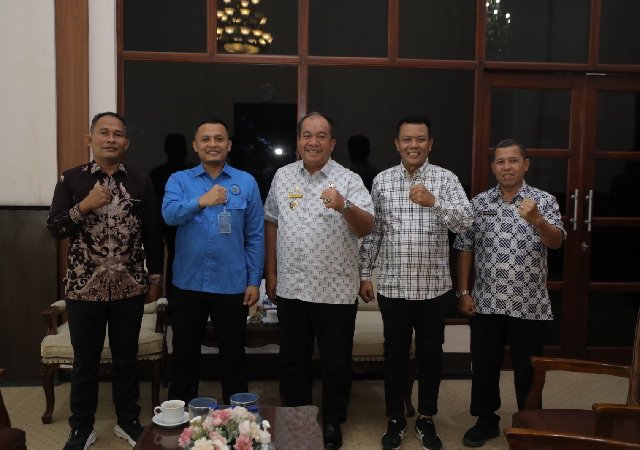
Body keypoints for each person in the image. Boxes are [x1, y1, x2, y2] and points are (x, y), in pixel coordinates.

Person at [47, 112, 164, 450]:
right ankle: (81, 428)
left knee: (127, 359)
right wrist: (84, 206)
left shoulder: (140, 181)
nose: (111, 139)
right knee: (85, 362)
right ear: (90, 139)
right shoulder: (71, 179)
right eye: (104, 132)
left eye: (118, 134)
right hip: (83, 289)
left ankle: (128, 421)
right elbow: (55, 228)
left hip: (130, 287)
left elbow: (153, 233)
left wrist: (154, 278)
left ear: (126, 142)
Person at [359, 115, 473, 450]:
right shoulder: (382, 181)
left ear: (430, 144)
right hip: (393, 286)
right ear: (397, 144)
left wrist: (434, 203)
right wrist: (364, 273)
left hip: (433, 287)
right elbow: (374, 232)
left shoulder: (446, 179)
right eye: (407, 139)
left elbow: (466, 222)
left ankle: (426, 418)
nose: (414, 145)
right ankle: (395, 418)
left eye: (420, 139)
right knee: (394, 355)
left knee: (430, 355)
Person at [263, 112, 374, 449]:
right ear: (298, 142)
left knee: (336, 363)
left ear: (332, 143)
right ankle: (297, 420)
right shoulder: (282, 177)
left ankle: (332, 422)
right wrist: (271, 272)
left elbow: (367, 227)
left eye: (321, 136)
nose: (314, 142)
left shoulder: (349, 180)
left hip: (335, 289)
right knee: (292, 361)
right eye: (307, 135)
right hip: (292, 286)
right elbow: (271, 222)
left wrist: (344, 206)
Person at [453, 139, 565, 447]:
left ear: (525, 165)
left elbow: (556, 242)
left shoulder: (543, 201)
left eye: (513, 160)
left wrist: (537, 220)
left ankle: (530, 422)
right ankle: (485, 419)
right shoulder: (478, 203)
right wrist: (463, 291)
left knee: (528, 371)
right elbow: (465, 248)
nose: (507, 167)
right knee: (484, 366)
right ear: (493, 167)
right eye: (500, 161)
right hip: (486, 301)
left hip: (529, 304)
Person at [162, 118, 264, 405]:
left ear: (229, 145)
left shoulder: (246, 182)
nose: (212, 144)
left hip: (231, 283)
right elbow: (169, 215)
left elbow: (255, 235)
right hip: (188, 282)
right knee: (184, 354)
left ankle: (238, 417)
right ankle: (180, 415)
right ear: (195, 146)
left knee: (233, 355)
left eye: (219, 139)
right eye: (205, 139)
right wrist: (201, 201)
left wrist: (254, 281)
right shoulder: (179, 180)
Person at [149, 133, 191, 297]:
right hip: (168, 229)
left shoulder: (194, 171)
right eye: (174, 148)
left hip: (196, 226)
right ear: (166, 150)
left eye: (181, 148)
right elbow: (154, 206)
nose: (178, 152)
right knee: (171, 263)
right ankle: (171, 302)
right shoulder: (158, 174)